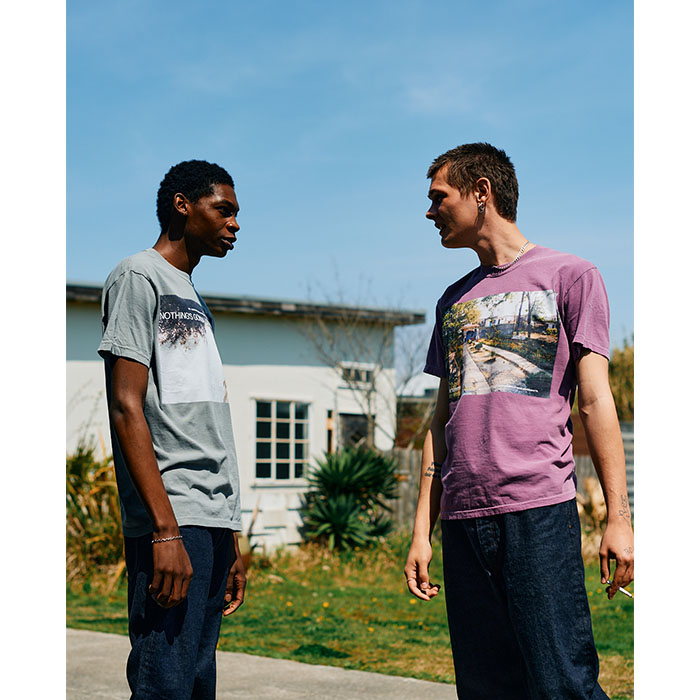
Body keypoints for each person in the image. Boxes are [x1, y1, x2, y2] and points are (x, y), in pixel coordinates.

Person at [403, 143, 634, 699]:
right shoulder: (452, 300)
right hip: (463, 518)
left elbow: (595, 401)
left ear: (481, 192)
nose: (429, 212)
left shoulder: (571, 276)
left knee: (561, 684)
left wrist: (619, 518)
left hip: (538, 510)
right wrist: (420, 532)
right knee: (485, 688)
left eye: (439, 197)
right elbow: (441, 420)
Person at [98, 159, 247, 700]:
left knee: (197, 682)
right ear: (183, 206)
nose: (234, 223)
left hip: (210, 517)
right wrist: (165, 530)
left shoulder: (191, 294)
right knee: (164, 682)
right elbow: (126, 406)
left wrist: (230, 534)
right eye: (223, 209)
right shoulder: (138, 276)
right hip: (173, 514)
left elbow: (205, 421)